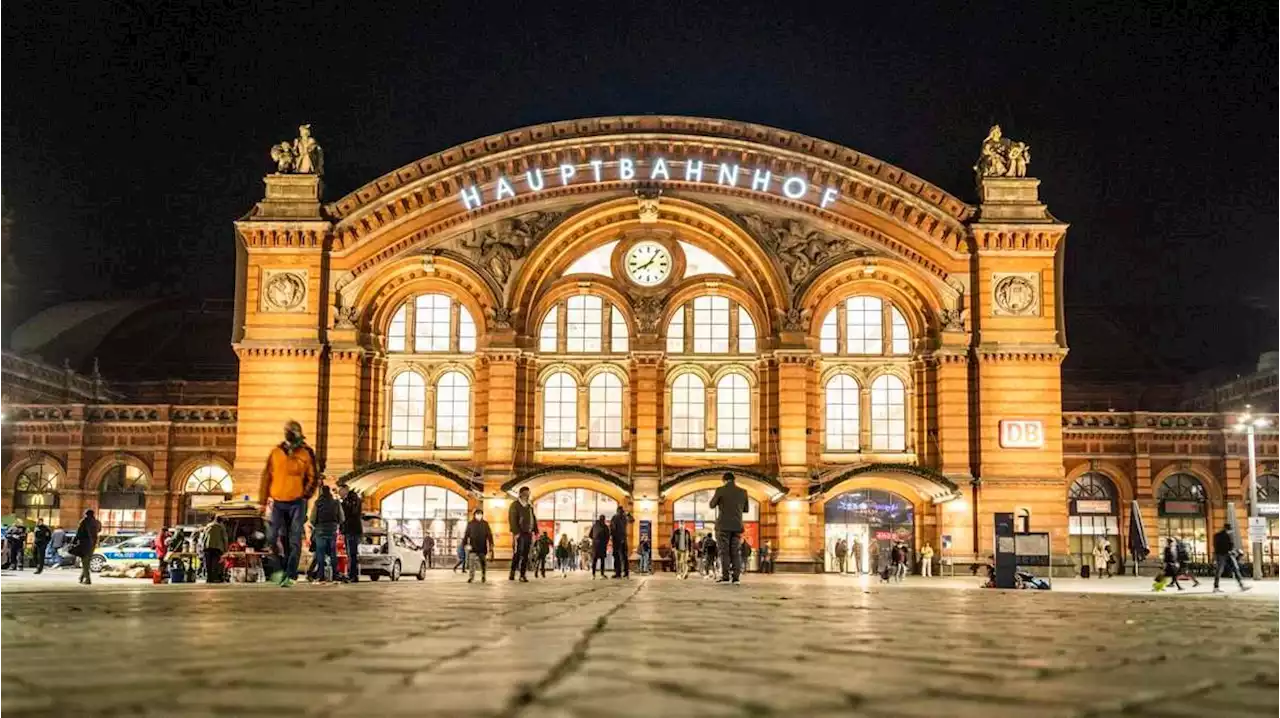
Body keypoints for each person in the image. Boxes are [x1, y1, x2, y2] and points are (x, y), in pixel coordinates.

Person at [259, 420, 319, 587]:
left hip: (297, 503)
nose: (289, 433)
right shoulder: (276, 452)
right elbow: (267, 477)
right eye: (288, 430)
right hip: (278, 502)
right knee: (272, 537)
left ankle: (290, 574)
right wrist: (263, 502)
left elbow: (313, 476)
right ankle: (281, 569)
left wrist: (305, 495)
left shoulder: (306, 453)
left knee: (294, 539)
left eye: (292, 431)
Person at [709, 472, 749, 584]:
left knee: (724, 552)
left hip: (723, 526)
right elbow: (746, 509)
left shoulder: (720, 490)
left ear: (724, 480)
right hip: (737, 526)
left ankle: (725, 576)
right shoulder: (743, 492)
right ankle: (736, 578)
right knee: (735, 552)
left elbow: (711, 505)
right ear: (734, 480)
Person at [309, 484, 344, 584]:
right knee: (333, 553)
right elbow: (341, 518)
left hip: (320, 531)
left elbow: (312, 518)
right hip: (332, 530)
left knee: (320, 554)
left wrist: (316, 526)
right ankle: (335, 577)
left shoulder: (318, 503)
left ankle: (321, 577)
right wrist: (335, 525)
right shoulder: (336, 503)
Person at [507, 486, 536, 582]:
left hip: (528, 532)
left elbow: (533, 518)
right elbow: (512, 519)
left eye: (528, 494)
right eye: (526, 494)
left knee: (526, 554)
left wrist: (535, 530)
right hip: (519, 533)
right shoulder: (515, 505)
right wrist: (516, 532)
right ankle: (512, 572)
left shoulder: (529, 506)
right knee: (518, 553)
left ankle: (522, 574)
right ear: (521, 494)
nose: (527, 496)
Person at [1212, 526, 1250, 593]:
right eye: (1230, 530)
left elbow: (1215, 546)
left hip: (1221, 554)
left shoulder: (1216, 535)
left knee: (1219, 571)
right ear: (1227, 529)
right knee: (1235, 569)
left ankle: (1216, 587)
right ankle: (1241, 585)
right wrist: (1231, 550)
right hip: (1226, 554)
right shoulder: (1226, 536)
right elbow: (1229, 545)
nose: (1231, 532)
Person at [338, 483, 364, 583]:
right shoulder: (350, 500)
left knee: (352, 553)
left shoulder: (352, 500)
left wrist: (343, 504)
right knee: (350, 554)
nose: (339, 493)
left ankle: (353, 575)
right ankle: (352, 574)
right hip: (350, 530)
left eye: (340, 490)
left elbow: (351, 513)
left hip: (352, 530)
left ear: (345, 490)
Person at [70, 510, 101, 585]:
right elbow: (99, 530)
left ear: (86, 515)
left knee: (85, 562)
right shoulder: (97, 522)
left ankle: (88, 579)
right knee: (87, 561)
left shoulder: (84, 522)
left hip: (85, 543)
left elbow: (79, 532)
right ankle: (81, 577)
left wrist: (74, 541)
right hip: (93, 544)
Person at [463, 508, 494, 583]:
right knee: (471, 562)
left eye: (480, 514)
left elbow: (489, 535)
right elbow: (466, 535)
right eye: (478, 514)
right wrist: (465, 544)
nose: (479, 515)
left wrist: (491, 544)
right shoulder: (470, 524)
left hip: (482, 547)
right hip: (472, 547)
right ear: (475, 515)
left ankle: (483, 575)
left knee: (483, 562)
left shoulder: (485, 524)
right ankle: (471, 577)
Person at [610, 506, 630, 578]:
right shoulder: (625, 518)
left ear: (617, 510)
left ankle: (618, 573)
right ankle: (626, 572)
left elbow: (612, 527)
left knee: (616, 556)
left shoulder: (615, 517)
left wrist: (612, 535)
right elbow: (632, 520)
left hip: (617, 539)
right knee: (625, 556)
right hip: (624, 539)